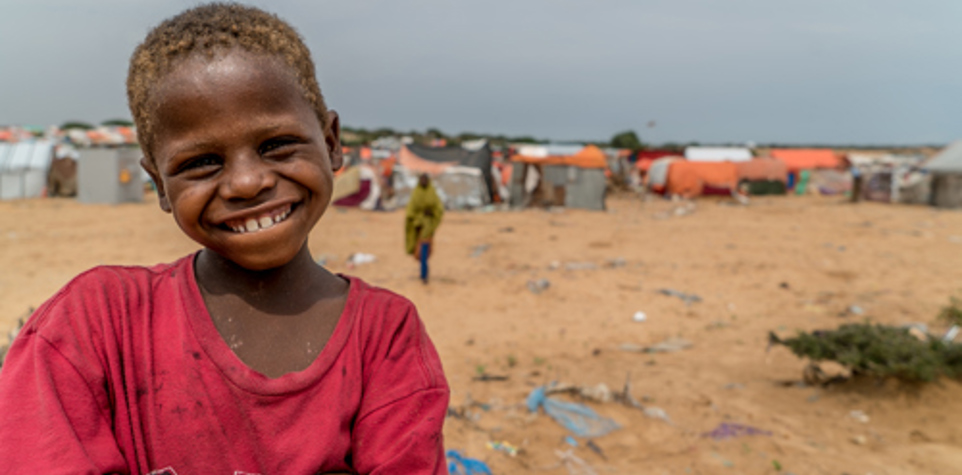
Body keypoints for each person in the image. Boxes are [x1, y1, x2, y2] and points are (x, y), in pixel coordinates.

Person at [0, 4, 449, 474]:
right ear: (158, 185)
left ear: (332, 142)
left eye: (276, 144)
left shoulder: (385, 335)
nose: (247, 182)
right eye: (202, 162)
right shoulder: (91, 325)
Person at [405, 174, 444, 283]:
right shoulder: (416, 194)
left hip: (429, 226)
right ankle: (423, 273)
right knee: (420, 253)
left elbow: (439, 209)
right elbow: (410, 211)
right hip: (418, 227)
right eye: (421, 180)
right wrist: (418, 218)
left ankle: (424, 275)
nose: (423, 182)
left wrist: (431, 214)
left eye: (425, 180)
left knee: (425, 251)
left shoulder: (432, 193)